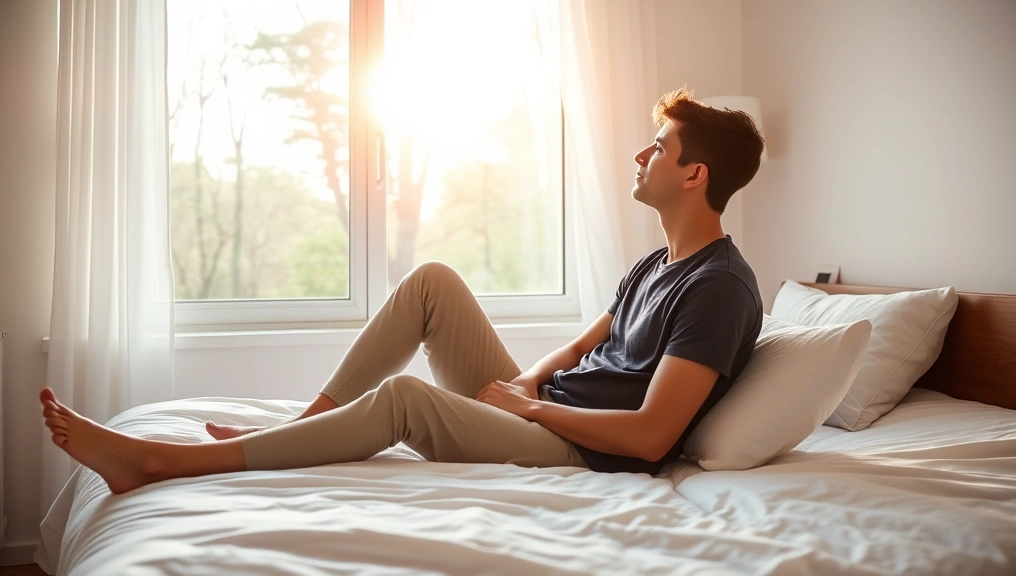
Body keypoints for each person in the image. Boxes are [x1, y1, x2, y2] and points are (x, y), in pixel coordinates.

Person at [40, 88, 764, 495]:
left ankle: (161, 463)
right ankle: (288, 427)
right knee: (433, 282)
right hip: (543, 412)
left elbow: (652, 435)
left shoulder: (721, 287)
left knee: (404, 401)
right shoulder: (654, 262)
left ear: (695, 174)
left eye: (659, 147)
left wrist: (534, 410)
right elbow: (584, 345)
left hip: (582, 451)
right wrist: (524, 385)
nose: (642, 156)